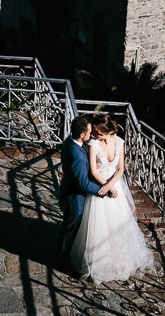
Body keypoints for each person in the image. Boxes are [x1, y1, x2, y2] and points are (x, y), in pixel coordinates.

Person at [70, 112, 153, 283]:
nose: (94, 135)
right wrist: (105, 187)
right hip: (100, 187)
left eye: (98, 133)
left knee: (118, 225)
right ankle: (99, 262)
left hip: (115, 187)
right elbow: (93, 171)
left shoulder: (119, 142)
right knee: (98, 227)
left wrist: (111, 187)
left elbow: (120, 169)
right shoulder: (92, 144)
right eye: (94, 133)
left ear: (108, 132)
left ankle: (119, 260)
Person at [58, 115, 103, 271]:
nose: (91, 134)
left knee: (69, 228)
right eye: (89, 132)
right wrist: (102, 191)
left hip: (68, 190)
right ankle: (63, 260)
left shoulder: (69, 141)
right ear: (82, 135)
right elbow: (82, 183)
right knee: (70, 231)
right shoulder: (77, 156)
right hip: (75, 199)